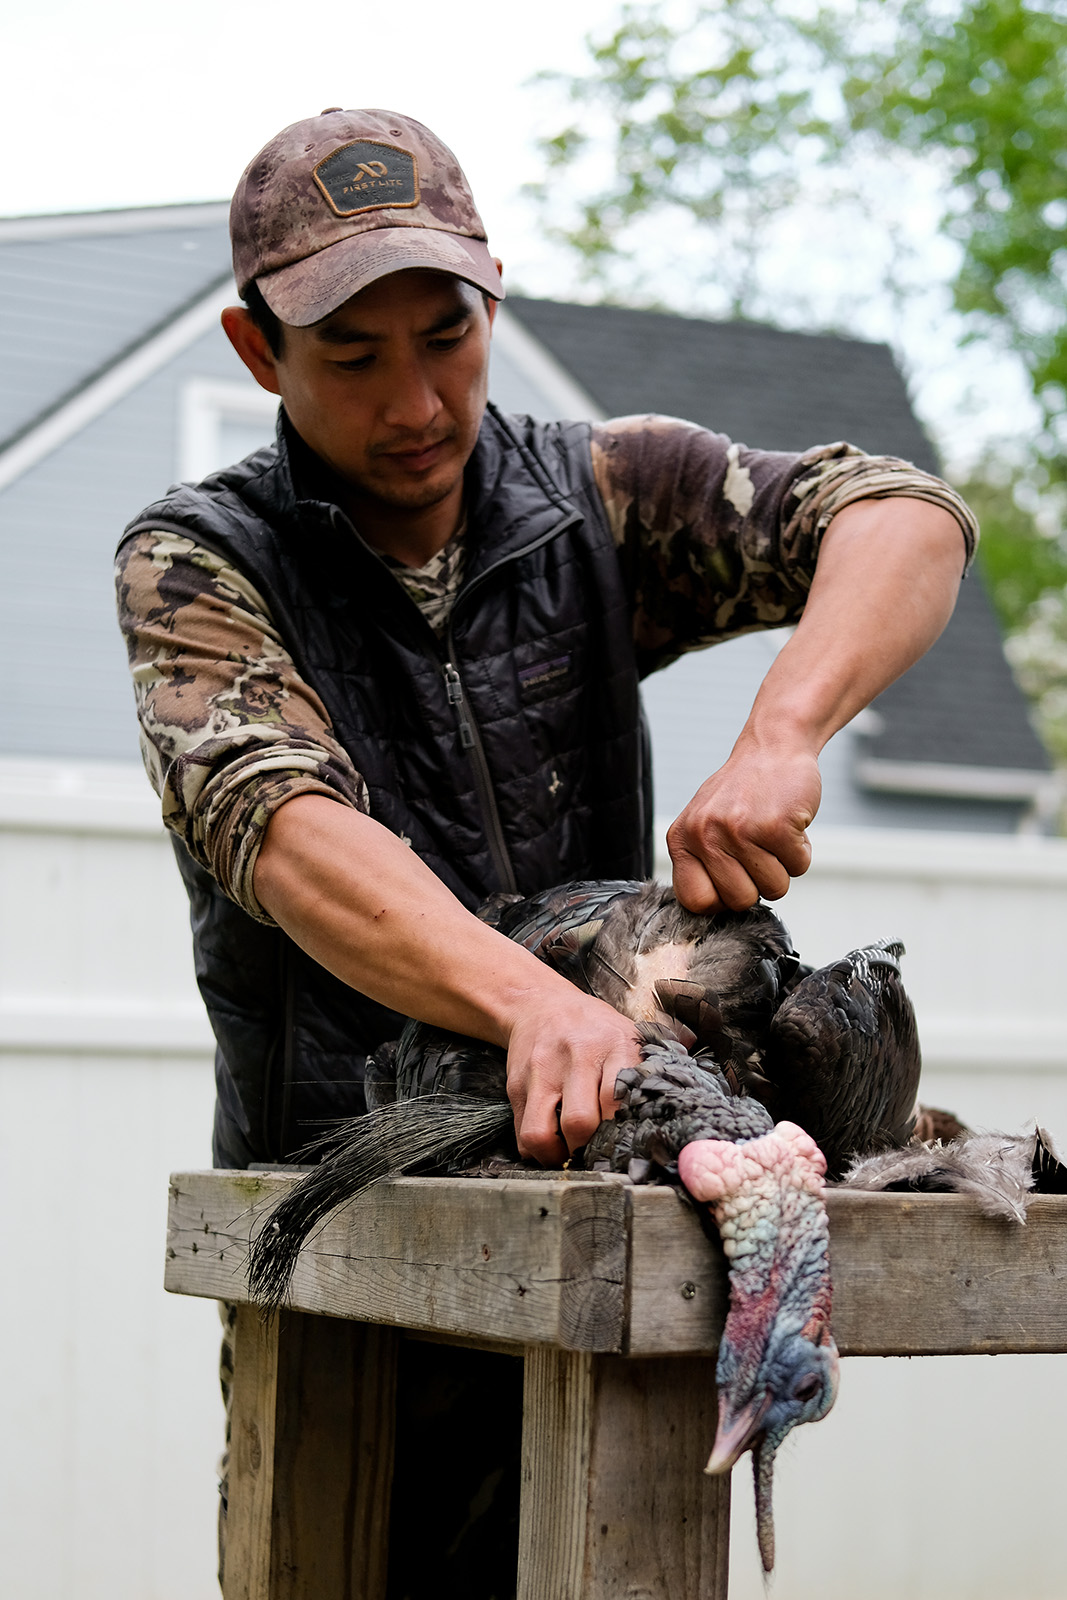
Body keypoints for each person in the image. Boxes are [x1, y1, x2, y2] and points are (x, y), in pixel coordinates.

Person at [115, 106, 976, 1175]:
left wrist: (782, 731)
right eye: (352, 358)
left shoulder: (604, 495)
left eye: (446, 338)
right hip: (341, 1197)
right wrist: (534, 1003)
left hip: (611, 1173)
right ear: (258, 352)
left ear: (491, 295)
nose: (417, 403)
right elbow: (284, 831)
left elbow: (903, 516)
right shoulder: (201, 561)